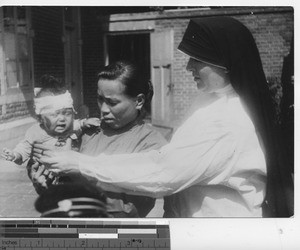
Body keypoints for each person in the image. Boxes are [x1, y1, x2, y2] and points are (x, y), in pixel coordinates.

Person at [33, 17, 293, 217]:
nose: (189, 66)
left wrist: (81, 164)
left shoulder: (228, 121)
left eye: (198, 59)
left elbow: (164, 171)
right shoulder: (212, 100)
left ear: (226, 63)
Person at [32, 61, 167, 218]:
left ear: (139, 101)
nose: (103, 109)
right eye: (100, 99)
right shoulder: (89, 131)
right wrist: (47, 186)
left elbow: (128, 211)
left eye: (112, 102)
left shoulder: (151, 144)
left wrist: (78, 172)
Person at [1, 75, 100, 189]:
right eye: (54, 114)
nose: (62, 118)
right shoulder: (36, 132)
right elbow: (24, 147)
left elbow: (79, 124)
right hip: (48, 178)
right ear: (40, 118)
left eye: (66, 113)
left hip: (71, 176)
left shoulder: (71, 126)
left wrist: (86, 122)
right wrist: (15, 155)